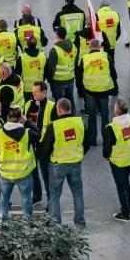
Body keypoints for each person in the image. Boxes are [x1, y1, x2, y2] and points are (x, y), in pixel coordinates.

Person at [41, 97, 86, 227]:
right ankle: (80, 223)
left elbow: (45, 148)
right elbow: (86, 142)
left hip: (57, 165)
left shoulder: (54, 126)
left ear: (59, 110)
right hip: (75, 163)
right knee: (78, 194)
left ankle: (56, 223)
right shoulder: (80, 122)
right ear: (70, 109)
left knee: (54, 196)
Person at [0, 106, 38, 225]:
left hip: (6, 173)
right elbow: (38, 134)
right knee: (26, 198)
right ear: (20, 118)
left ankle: (2, 222)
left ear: (7, 117)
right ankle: (28, 222)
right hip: (23, 173)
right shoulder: (27, 133)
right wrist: (27, 121)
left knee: (4, 198)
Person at [103, 98, 130, 222]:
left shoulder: (111, 127)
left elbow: (107, 147)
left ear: (116, 111)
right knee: (126, 182)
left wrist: (106, 156)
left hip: (117, 161)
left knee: (120, 186)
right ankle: (129, 207)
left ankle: (125, 213)